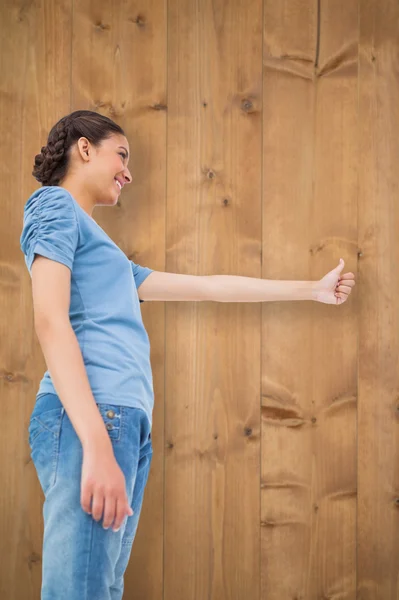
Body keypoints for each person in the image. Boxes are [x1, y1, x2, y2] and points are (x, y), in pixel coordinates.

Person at [20, 110, 155, 599]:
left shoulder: (111, 257)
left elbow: (208, 287)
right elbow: (50, 321)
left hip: (125, 425)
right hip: (93, 421)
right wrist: (97, 445)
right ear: (84, 148)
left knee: (100, 589)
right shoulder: (54, 207)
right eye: (121, 154)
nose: (128, 172)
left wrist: (311, 289)